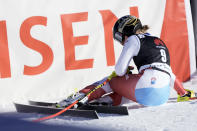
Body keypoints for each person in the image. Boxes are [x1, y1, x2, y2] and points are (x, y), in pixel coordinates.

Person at [57, 15, 196, 108]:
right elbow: (168, 73)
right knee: (127, 87)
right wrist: (183, 93)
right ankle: (105, 102)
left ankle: (77, 98)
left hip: (145, 88)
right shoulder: (157, 40)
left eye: (118, 37)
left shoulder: (133, 39)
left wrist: (124, 72)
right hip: (162, 96)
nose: (121, 42)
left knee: (111, 80)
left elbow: (119, 70)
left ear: (126, 32)